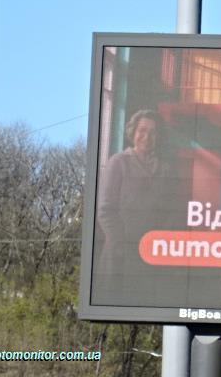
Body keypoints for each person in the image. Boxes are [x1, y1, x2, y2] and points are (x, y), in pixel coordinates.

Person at [95, 109, 174, 299]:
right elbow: (105, 210)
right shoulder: (118, 162)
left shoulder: (165, 169)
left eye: (153, 132)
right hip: (119, 258)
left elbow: (170, 210)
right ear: (133, 132)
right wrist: (122, 245)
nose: (147, 137)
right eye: (142, 130)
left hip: (150, 258)